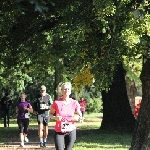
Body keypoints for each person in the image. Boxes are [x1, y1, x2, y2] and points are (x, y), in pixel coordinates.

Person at [50, 82, 83, 150]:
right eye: (64, 89)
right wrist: (55, 117)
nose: (66, 90)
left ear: (70, 91)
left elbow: (79, 115)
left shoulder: (74, 103)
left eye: (68, 89)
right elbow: (50, 114)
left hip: (71, 131)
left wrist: (78, 117)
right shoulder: (56, 102)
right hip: (59, 131)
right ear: (61, 90)